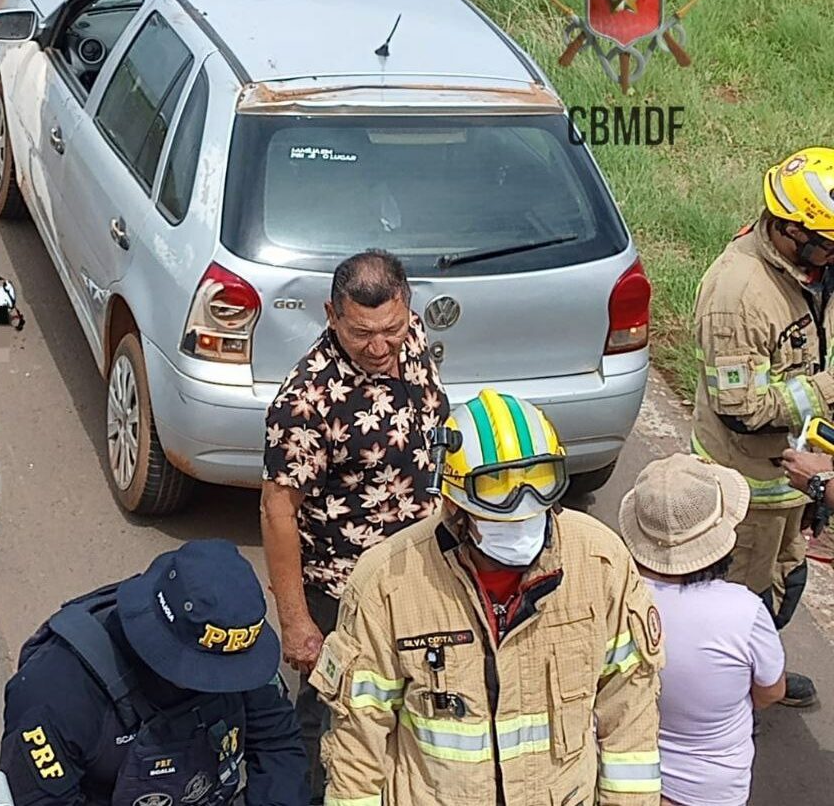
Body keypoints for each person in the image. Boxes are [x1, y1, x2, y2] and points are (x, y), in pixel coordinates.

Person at [312, 389, 663, 806]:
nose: (521, 520)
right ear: (452, 502)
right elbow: (358, 745)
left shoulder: (601, 564)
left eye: (535, 500)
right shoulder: (387, 584)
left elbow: (630, 718)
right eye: (499, 506)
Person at [258, 249, 446, 803]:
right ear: (331, 315)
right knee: (331, 718)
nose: (380, 347)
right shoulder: (306, 401)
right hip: (344, 595)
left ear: (407, 308)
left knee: (412, 703)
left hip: (420, 575)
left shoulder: (407, 345)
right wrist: (295, 622)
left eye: (391, 328)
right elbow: (277, 510)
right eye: (362, 334)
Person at [0, 539, 308, 806]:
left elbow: (277, 743)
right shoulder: (55, 694)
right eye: (208, 673)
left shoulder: (234, 648)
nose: (219, 684)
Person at [689, 144, 834, 708]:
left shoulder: (807, 270)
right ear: (791, 232)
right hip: (749, 490)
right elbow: (740, 408)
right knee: (740, 605)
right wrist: (826, 391)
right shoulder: (738, 295)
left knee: (787, 584)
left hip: (794, 485)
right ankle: (729, 709)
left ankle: (757, 677)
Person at [618, 453, 786, 806]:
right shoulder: (744, 612)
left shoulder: (612, 595)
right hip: (711, 789)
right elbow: (771, 692)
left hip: (624, 772)